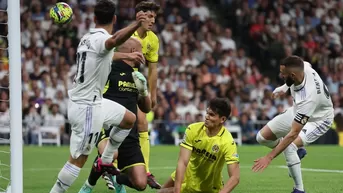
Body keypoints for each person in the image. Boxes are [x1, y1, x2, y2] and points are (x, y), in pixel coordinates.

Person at [49, 1, 147, 192]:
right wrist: (136, 24)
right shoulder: (104, 39)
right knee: (78, 159)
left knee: (129, 119)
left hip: (95, 102)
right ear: (115, 19)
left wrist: (126, 57)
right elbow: (113, 42)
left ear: (94, 19)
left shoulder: (87, 39)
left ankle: (106, 160)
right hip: (86, 108)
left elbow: (104, 54)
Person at [78, 37, 150, 193]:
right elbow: (97, 56)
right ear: (133, 52)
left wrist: (144, 91)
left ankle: (116, 178)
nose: (144, 55)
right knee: (111, 154)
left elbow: (147, 108)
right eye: (141, 51)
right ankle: (88, 186)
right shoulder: (108, 67)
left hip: (130, 134)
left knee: (141, 183)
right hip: (106, 125)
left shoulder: (137, 76)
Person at [252, 56, 334, 193]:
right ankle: (298, 152)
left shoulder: (308, 98)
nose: (280, 75)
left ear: (292, 75)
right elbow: (305, 63)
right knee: (261, 137)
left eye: (283, 74)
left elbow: (293, 134)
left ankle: (299, 189)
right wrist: (285, 87)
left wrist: (269, 157)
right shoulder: (304, 67)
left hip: (319, 120)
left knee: (289, 146)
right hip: (297, 111)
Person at [113, 1, 161, 188]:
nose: (152, 21)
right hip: (116, 81)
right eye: (149, 16)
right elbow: (108, 56)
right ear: (139, 16)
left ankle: (145, 171)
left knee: (142, 122)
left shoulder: (153, 39)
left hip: (134, 82)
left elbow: (153, 69)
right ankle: (112, 166)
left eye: (154, 17)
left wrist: (153, 94)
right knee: (121, 123)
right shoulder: (126, 35)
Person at [158, 98, 240, 193]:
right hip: (186, 174)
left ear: (222, 119)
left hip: (208, 186)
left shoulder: (227, 142)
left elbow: (235, 177)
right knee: (160, 192)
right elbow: (183, 162)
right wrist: (177, 190)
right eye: (207, 113)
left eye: (211, 115)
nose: (206, 117)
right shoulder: (192, 129)